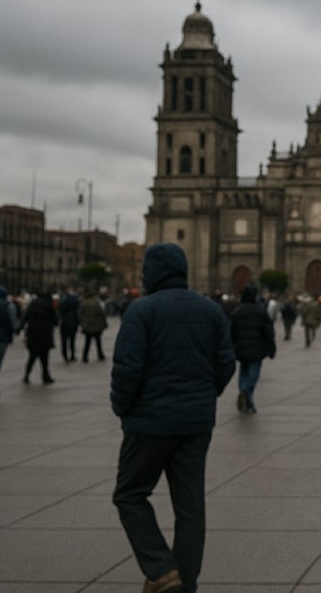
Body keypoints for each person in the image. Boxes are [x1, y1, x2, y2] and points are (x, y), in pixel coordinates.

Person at [111, 242, 235, 593]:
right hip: (195, 424)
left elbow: (127, 368)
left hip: (148, 424)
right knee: (190, 506)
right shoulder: (210, 310)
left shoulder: (141, 310)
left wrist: (123, 407)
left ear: (152, 272)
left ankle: (162, 568)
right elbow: (226, 362)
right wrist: (205, 396)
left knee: (130, 494)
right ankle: (185, 582)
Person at [230, 285, 276, 414]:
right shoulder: (260, 311)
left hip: (241, 348)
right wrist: (271, 348)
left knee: (243, 372)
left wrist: (231, 346)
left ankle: (247, 400)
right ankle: (245, 391)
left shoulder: (238, 311)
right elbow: (268, 331)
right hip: (257, 349)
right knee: (253, 373)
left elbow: (232, 331)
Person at [20, 289, 58, 385]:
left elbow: (25, 317)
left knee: (32, 357)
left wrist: (19, 328)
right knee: (44, 358)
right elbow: (55, 320)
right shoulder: (49, 305)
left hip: (33, 333)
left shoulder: (33, 304)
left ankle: (26, 375)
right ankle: (46, 377)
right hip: (45, 333)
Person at [78, 289, 108, 363]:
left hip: (87, 325)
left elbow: (80, 314)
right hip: (96, 325)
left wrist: (82, 322)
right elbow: (102, 313)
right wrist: (104, 323)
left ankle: (85, 357)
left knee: (87, 342)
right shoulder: (96, 303)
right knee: (98, 342)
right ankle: (100, 355)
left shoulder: (83, 303)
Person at [58, 287, 80, 362]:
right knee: (72, 340)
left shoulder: (63, 300)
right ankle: (72, 355)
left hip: (64, 323)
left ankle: (65, 356)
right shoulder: (76, 300)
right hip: (73, 322)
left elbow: (60, 309)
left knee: (64, 340)